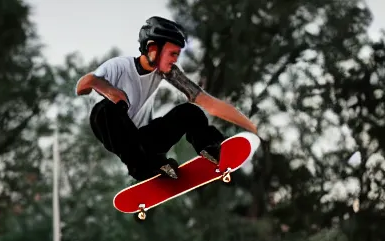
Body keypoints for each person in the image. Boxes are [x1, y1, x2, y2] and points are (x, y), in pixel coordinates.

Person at [75, 16, 258, 181]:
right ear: (153, 49)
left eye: (177, 55)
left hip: (144, 141)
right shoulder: (119, 66)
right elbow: (83, 84)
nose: (175, 60)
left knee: (190, 111)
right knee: (106, 109)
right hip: (115, 134)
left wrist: (250, 125)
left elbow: (209, 102)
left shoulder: (168, 73)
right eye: (172, 54)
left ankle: (210, 148)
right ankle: (145, 167)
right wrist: (111, 91)